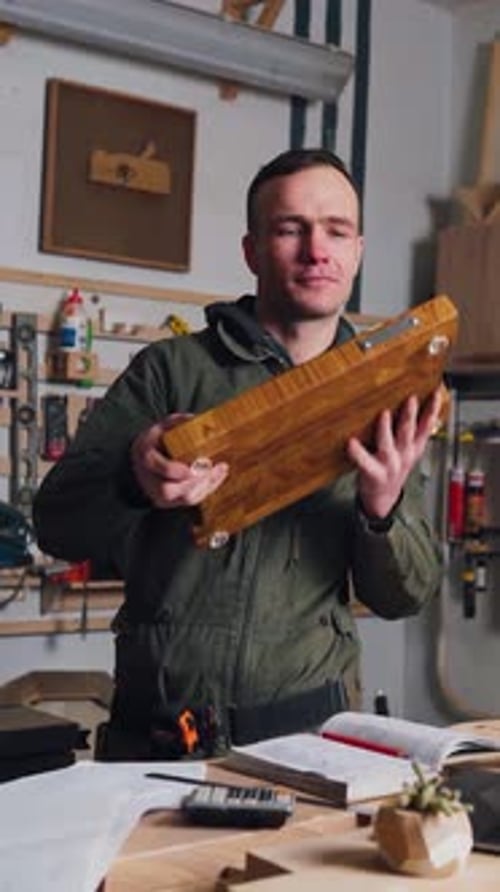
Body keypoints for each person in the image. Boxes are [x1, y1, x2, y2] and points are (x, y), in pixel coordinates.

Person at [33, 148, 443, 760]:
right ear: (252, 250)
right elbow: (56, 524)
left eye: (336, 231)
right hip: (161, 740)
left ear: (357, 250)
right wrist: (133, 479)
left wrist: (381, 511)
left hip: (312, 741)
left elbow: (405, 596)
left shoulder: (380, 392)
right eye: (289, 229)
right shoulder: (171, 372)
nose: (316, 250)